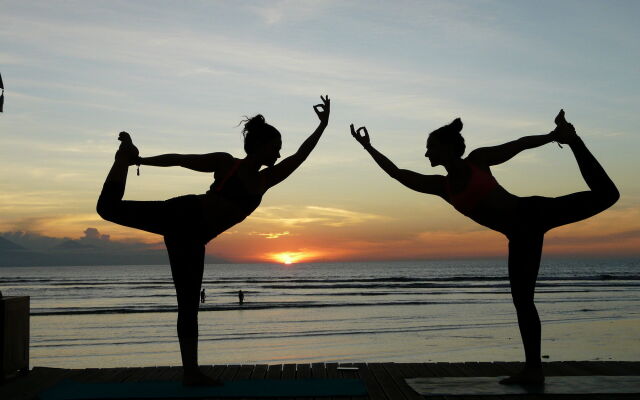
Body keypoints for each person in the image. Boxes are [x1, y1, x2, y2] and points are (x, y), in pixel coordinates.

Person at [350, 110, 619, 384]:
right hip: (520, 236)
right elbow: (397, 174)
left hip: (532, 212)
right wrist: (368, 147)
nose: (426, 154)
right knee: (523, 301)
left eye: (430, 148)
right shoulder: (442, 186)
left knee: (608, 195)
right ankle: (534, 370)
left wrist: (553, 136)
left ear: (446, 148)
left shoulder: (478, 160)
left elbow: (519, 144)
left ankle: (572, 140)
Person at [97, 95, 330, 385]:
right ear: (261, 146)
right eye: (276, 148)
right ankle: (124, 158)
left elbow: (301, 156)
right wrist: (140, 161)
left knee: (188, 304)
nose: (280, 154)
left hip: (192, 238)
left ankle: (191, 373)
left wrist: (322, 127)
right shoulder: (226, 163)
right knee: (107, 208)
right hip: (183, 213)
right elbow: (181, 161)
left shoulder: (265, 180)